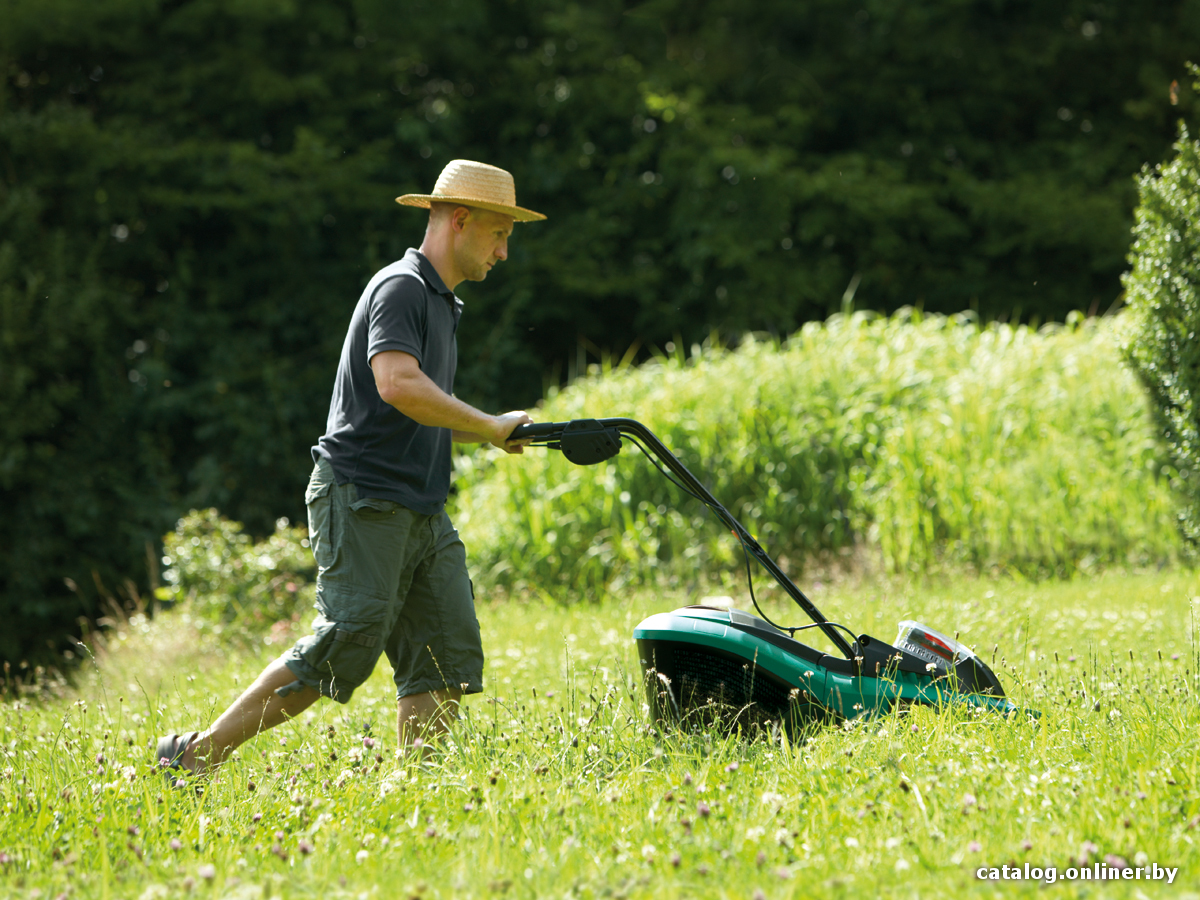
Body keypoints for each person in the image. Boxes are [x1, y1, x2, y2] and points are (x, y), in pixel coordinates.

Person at [155, 160, 544, 776]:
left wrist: (492, 434)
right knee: (348, 641)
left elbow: (416, 412)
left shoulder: (444, 304)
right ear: (460, 221)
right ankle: (195, 756)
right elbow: (396, 384)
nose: (503, 252)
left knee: (445, 648)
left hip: (421, 508)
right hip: (363, 497)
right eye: (498, 235)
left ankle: (424, 792)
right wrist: (489, 423)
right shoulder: (402, 286)